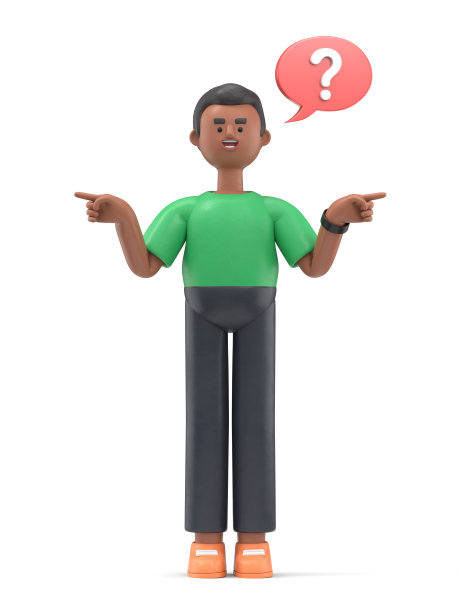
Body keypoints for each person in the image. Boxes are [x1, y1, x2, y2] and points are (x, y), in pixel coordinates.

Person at [75, 83, 385, 579]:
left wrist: (334, 222)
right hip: (201, 310)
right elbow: (145, 265)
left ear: (264, 138)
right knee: (204, 421)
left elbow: (313, 266)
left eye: (241, 125)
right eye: (218, 125)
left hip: (259, 309)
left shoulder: (273, 210)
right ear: (195, 138)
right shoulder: (185, 210)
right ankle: (206, 540)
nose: (229, 133)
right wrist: (124, 219)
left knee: (256, 421)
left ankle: (253, 540)